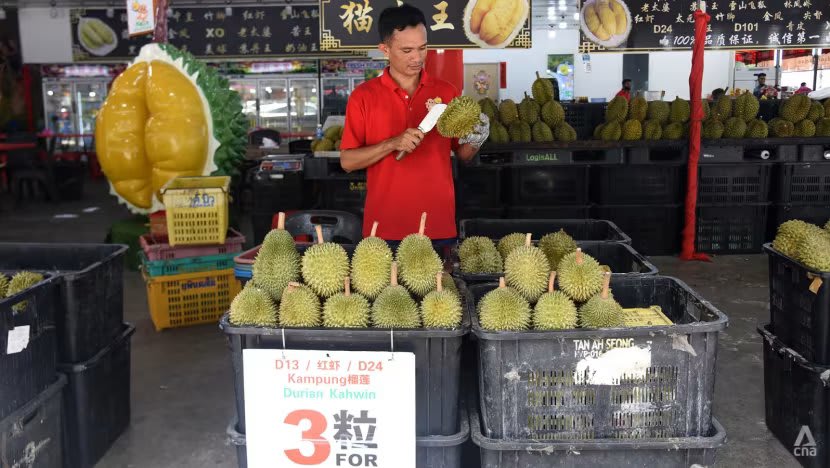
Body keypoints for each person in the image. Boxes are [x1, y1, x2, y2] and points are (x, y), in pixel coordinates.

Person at [339, 4, 489, 244]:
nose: (417, 58)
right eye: (407, 50)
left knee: (442, 283)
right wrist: (391, 143)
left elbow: (462, 156)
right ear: (385, 50)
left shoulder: (446, 92)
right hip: (384, 227)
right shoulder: (363, 96)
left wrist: (477, 137)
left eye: (422, 48)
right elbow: (347, 162)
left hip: (437, 225)